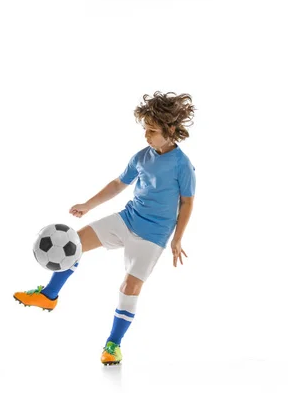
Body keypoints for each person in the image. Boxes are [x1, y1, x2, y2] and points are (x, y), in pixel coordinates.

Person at [13, 91, 196, 365]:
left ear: (170, 130)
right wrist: (88, 205)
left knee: (129, 286)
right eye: (145, 129)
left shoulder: (183, 166)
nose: (146, 135)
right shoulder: (141, 156)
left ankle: (113, 345)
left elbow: (187, 202)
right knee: (74, 243)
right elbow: (118, 184)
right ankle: (49, 296)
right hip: (128, 218)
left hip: (153, 236)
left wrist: (177, 239)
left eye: (152, 130)